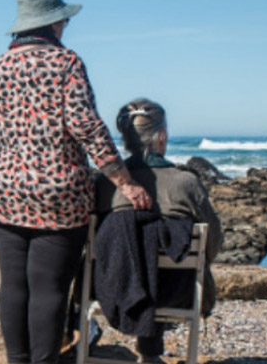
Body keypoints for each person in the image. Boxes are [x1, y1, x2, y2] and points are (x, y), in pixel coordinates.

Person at [0, 0, 152, 364]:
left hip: (1, 189)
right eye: (64, 19)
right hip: (58, 192)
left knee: (13, 284)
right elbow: (87, 126)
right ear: (53, 23)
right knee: (49, 287)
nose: (66, 25)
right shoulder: (67, 62)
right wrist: (125, 182)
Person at [93, 98, 223, 363]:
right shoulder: (186, 183)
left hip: (111, 290)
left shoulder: (105, 184)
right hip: (177, 291)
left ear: (126, 139)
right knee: (163, 265)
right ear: (161, 136)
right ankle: (151, 354)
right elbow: (213, 242)